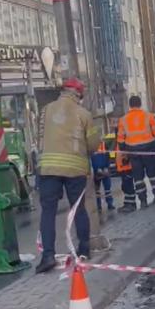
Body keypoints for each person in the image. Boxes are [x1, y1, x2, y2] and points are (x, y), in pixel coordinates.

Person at [36, 78, 101, 273]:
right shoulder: (84, 114)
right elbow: (92, 145)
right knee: (78, 209)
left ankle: (47, 255)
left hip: (48, 168)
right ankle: (83, 249)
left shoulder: (46, 110)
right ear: (78, 95)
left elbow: (40, 138)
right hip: (75, 169)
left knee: (47, 212)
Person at [117, 96, 155, 209]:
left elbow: (120, 138)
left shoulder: (123, 119)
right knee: (153, 175)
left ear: (130, 105)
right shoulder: (149, 116)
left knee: (138, 178)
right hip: (149, 149)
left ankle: (143, 201)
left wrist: (124, 151)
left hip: (133, 151)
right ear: (140, 104)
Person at [113, 132, 137, 214]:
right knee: (125, 186)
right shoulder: (120, 140)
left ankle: (131, 204)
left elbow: (126, 153)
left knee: (128, 186)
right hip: (123, 167)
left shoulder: (125, 139)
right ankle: (127, 203)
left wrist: (126, 159)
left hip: (127, 167)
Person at [91, 141, 115, 212]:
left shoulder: (104, 144)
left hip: (105, 170)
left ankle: (110, 204)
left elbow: (108, 156)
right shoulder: (91, 146)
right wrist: (96, 169)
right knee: (97, 191)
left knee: (108, 189)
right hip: (96, 172)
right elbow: (91, 160)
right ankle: (99, 206)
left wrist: (107, 167)